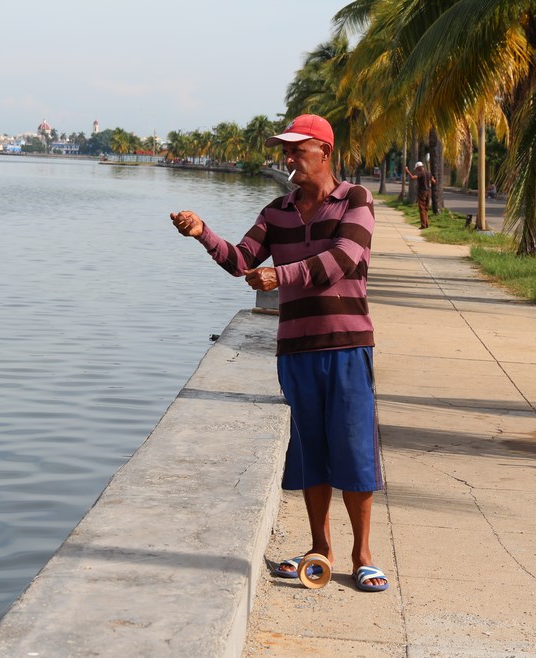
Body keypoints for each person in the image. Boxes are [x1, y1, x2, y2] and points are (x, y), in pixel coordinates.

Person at [169, 114, 388, 593]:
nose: (288, 158)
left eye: (297, 150)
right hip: (295, 349)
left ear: (324, 152)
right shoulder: (276, 212)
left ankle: (363, 555)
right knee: (311, 450)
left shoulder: (355, 199)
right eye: (284, 151)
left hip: (347, 345)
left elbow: (342, 260)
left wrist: (280, 276)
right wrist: (203, 232)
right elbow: (241, 261)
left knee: (353, 447)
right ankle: (320, 549)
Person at [404, 160, 436, 229]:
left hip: (422, 192)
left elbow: (412, 177)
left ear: (419, 167)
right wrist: (432, 178)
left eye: (417, 168)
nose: (417, 170)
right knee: (426, 209)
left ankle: (423, 225)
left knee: (422, 209)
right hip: (428, 192)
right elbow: (434, 182)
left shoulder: (420, 173)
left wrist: (407, 170)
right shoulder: (428, 173)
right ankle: (426, 224)